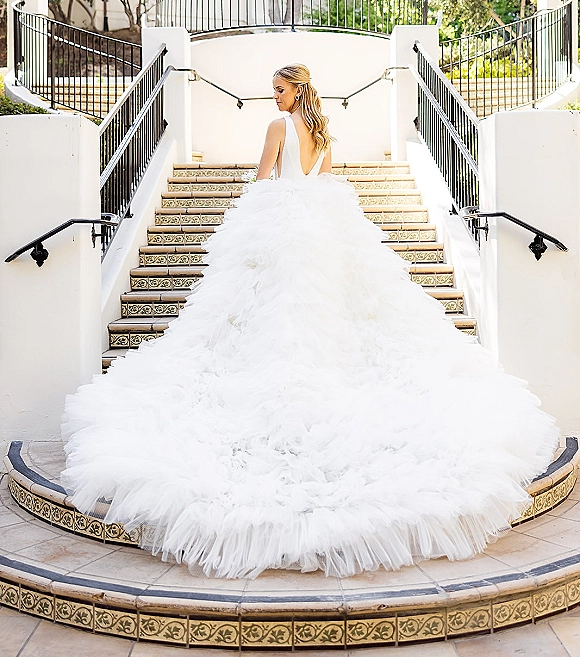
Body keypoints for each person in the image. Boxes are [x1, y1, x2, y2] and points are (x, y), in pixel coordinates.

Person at [62, 63, 559, 580]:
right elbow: (324, 184)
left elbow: (260, 183)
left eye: (278, 89)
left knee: (266, 311)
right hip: (319, 235)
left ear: (297, 89)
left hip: (282, 232)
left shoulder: (278, 127)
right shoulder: (323, 134)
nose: (273, 98)